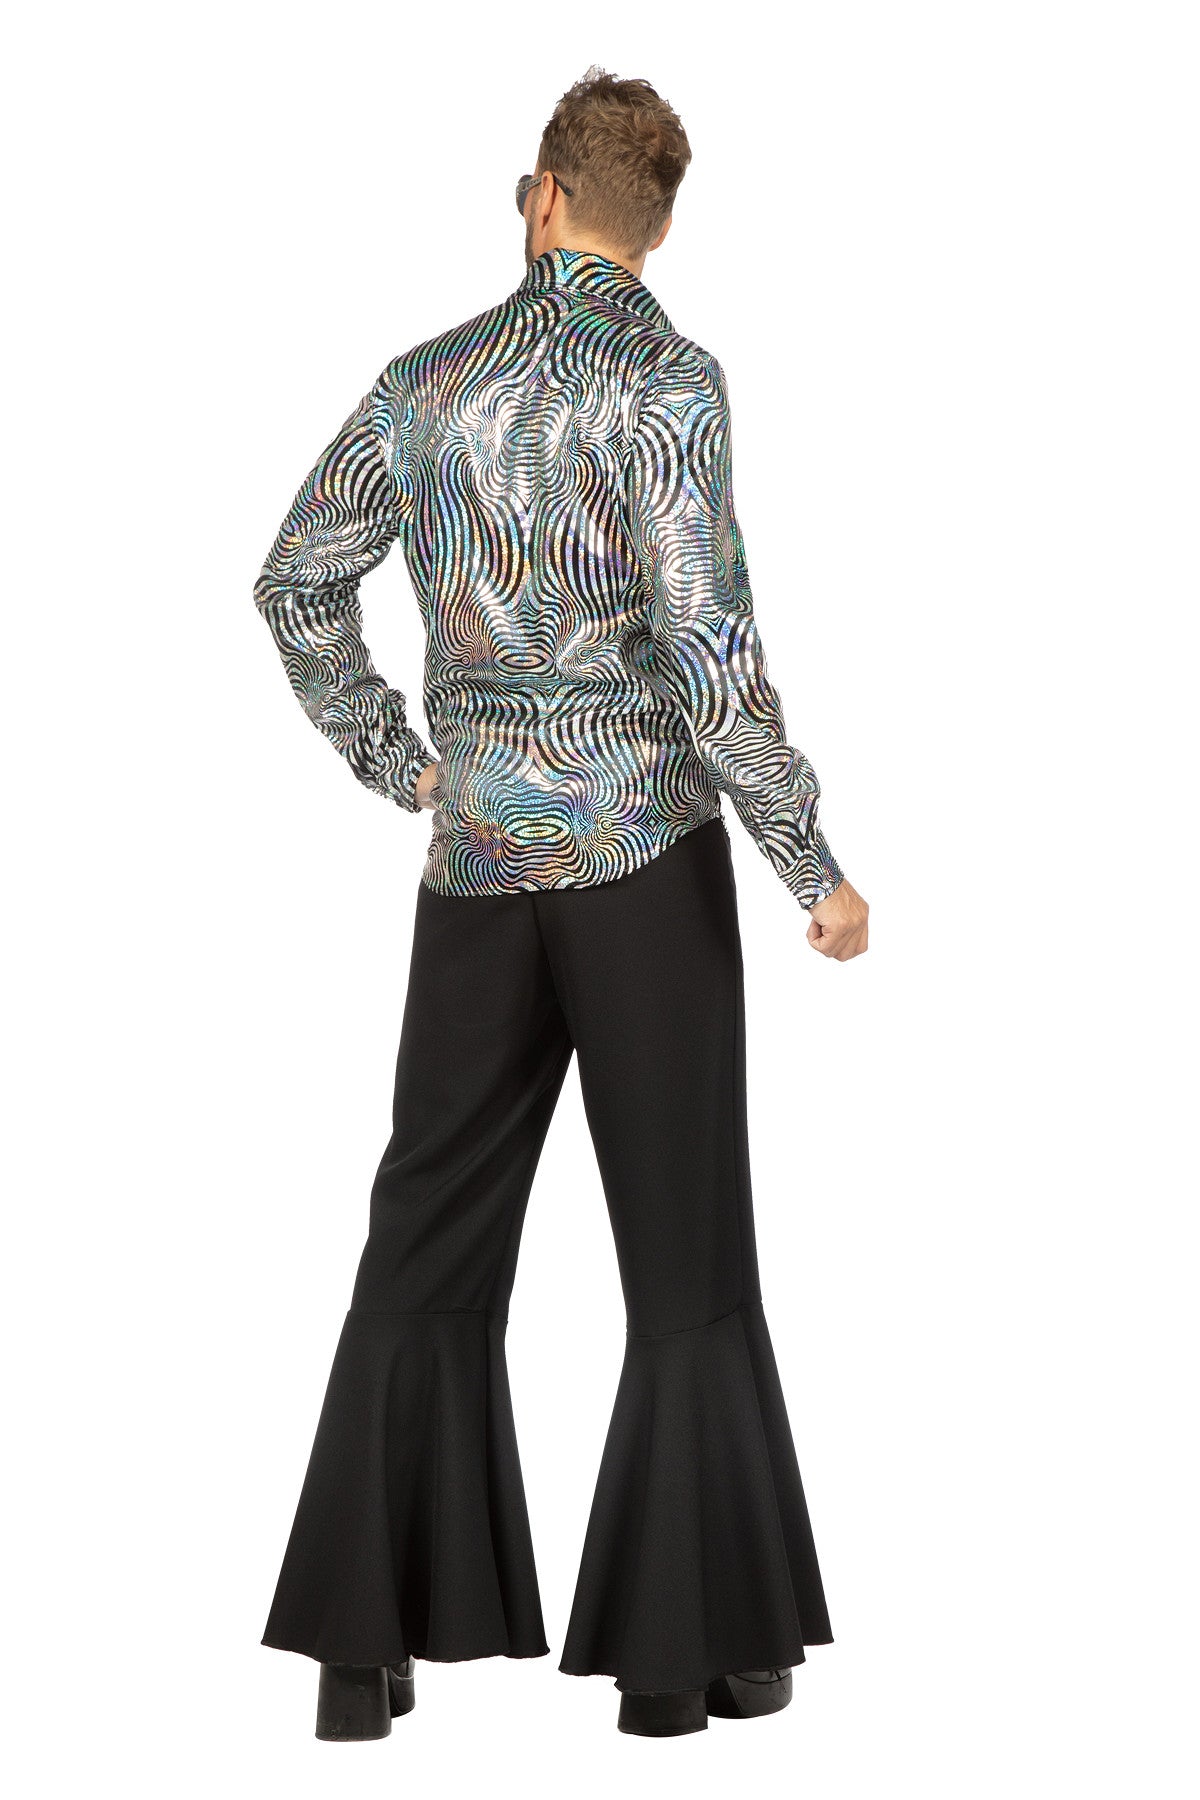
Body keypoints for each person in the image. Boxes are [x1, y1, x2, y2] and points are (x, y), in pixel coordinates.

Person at [253, 64, 870, 1743]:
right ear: (655, 227)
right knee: (686, 1256)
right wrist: (808, 863)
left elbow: (296, 582)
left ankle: (362, 1656)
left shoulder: (425, 384)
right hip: (642, 860)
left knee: (426, 1241)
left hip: (474, 868)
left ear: (540, 197)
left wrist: (403, 760)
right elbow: (712, 653)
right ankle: (684, 1664)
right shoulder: (672, 385)